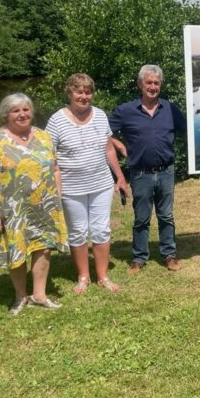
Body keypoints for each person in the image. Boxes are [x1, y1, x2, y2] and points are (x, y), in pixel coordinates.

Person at [0, 93, 69, 315]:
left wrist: (57, 197)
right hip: (12, 210)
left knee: (43, 247)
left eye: (26, 109)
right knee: (17, 251)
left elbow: (55, 169)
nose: (22, 114)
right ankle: (21, 296)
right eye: (15, 110)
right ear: (5, 114)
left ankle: (39, 295)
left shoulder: (44, 137)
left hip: (44, 207)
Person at [46, 74, 128, 293]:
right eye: (79, 91)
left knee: (101, 230)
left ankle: (102, 276)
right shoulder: (56, 120)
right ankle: (83, 276)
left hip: (101, 184)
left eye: (88, 92)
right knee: (78, 232)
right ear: (69, 93)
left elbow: (109, 148)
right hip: (71, 188)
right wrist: (54, 187)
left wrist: (120, 177)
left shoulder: (100, 115)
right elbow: (49, 156)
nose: (84, 96)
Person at [108, 65, 186, 273]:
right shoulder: (126, 111)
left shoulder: (170, 109)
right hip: (141, 173)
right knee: (141, 218)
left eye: (156, 83)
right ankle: (139, 258)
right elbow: (102, 131)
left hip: (166, 171)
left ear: (160, 85)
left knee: (166, 216)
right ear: (140, 84)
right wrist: (119, 145)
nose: (152, 87)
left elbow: (188, 130)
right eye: (149, 82)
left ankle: (169, 255)